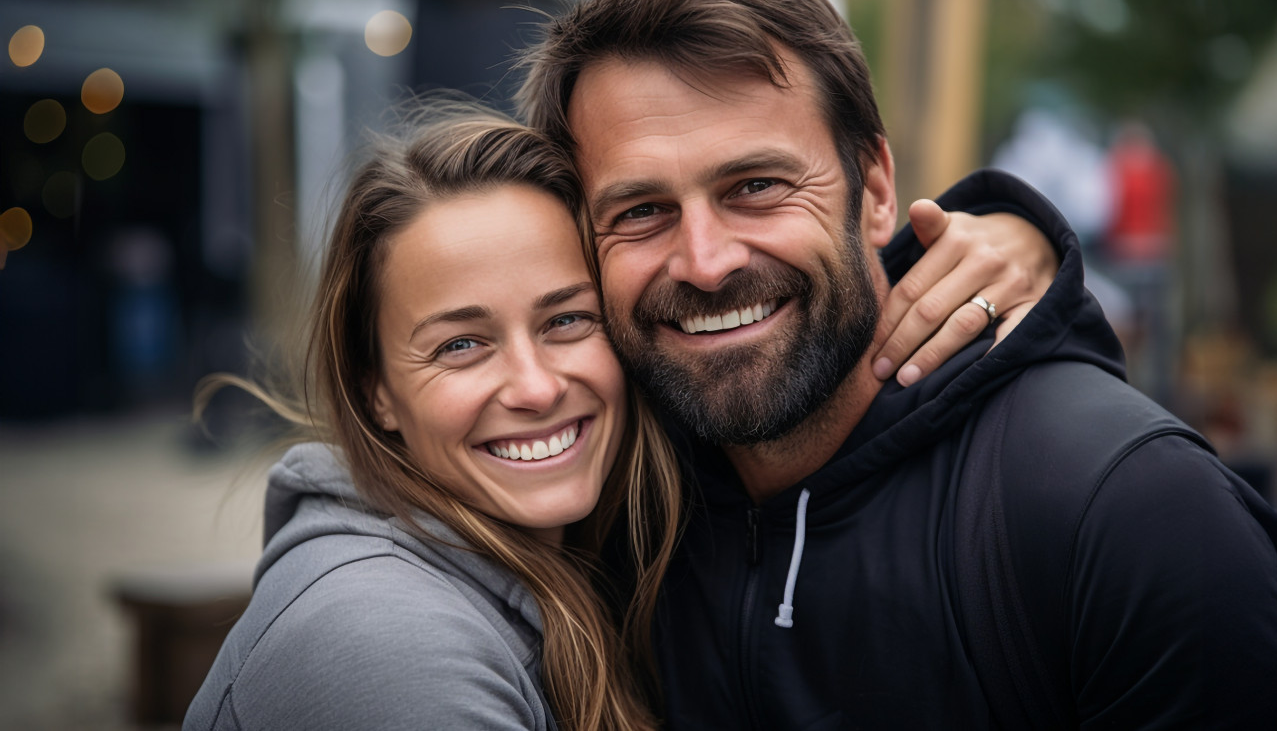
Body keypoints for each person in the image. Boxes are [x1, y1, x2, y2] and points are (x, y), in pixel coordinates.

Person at [516, 0, 1277, 728]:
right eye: (641, 210)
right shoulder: (594, 495)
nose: (706, 262)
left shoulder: (1130, 511)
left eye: (757, 186)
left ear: (877, 190)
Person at [183, 102, 1058, 730]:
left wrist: (1023, 239)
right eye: (461, 344)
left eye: (568, 320)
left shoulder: (615, 530)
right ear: (375, 388)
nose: (534, 386)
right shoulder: (386, 644)